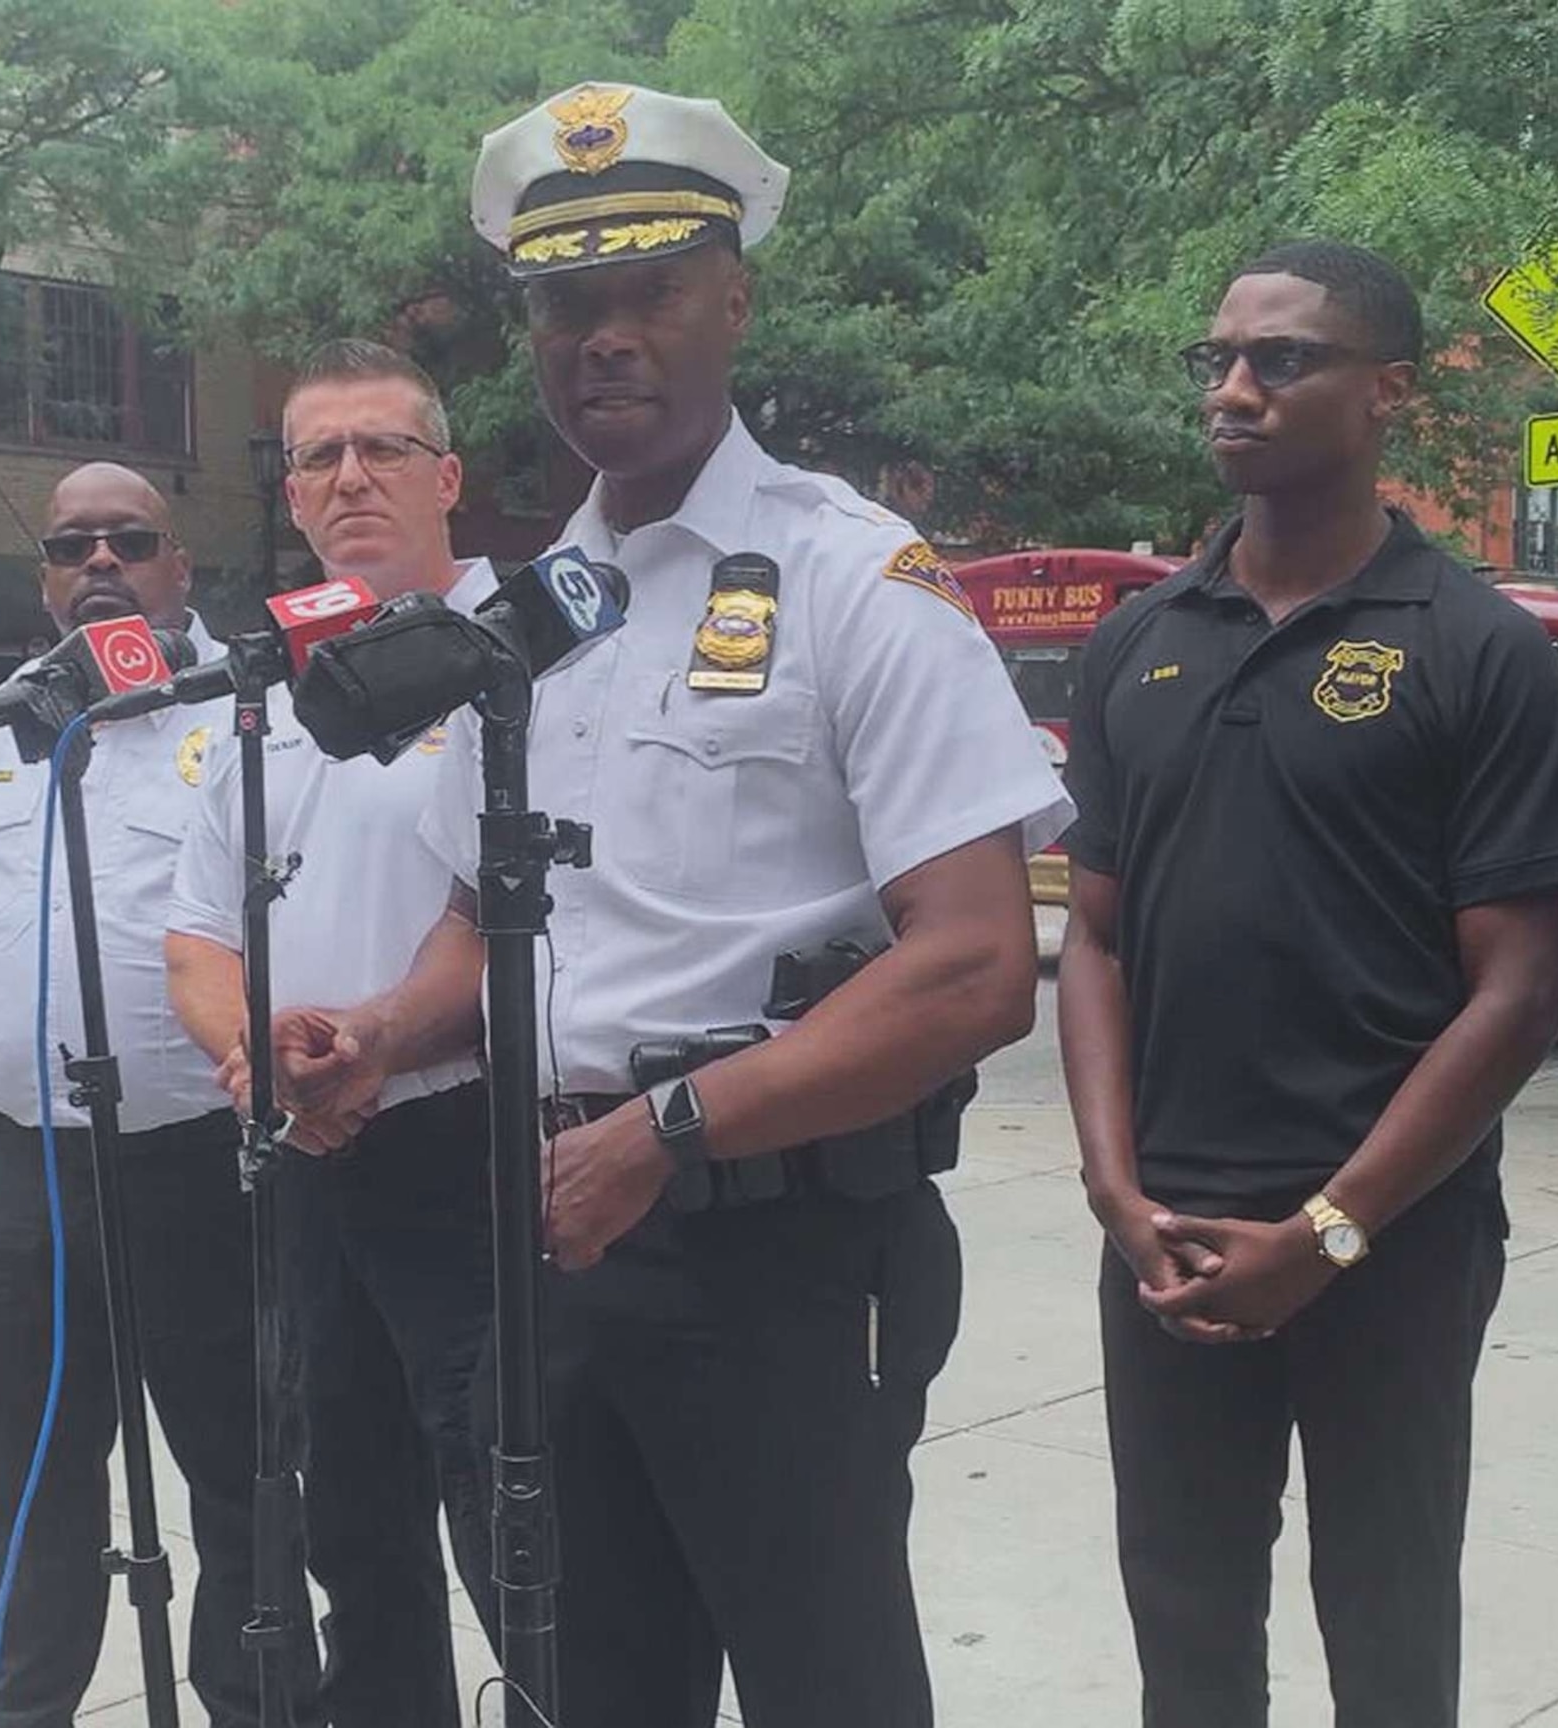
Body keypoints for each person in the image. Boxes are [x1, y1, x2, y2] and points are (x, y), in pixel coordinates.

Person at [262, 82, 1066, 1728]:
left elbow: (978, 962)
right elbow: (494, 925)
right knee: (588, 1689)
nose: (604, 335)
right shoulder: (530, 611)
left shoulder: (854, 583)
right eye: (567, 301)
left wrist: (672, 1126)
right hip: (549, 1239)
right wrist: (376, 1034)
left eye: (648, 290)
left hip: (772, 1245)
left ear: (733, 300)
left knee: (825, 1689)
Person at [1056, 242, 1558, 1728]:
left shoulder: (1477, 650)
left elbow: (1516, 991)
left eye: (1283, 359)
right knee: (1183, 1620)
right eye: (1220, 358)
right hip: (1168, 1232)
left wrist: (1330, 1229)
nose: (1236, 388)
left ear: (1387, 394)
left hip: (1395, 1243)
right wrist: (1115, 1190)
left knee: (1386, 1619)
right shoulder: (1137, 644)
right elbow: (1094, 938)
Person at [163, 339, 502, 1728]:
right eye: (320, 456)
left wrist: (377, 1042)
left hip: (476, 1151)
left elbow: (515, 913)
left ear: (449, 477)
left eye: (384, 449)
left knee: (509, 1512)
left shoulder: (514, 653)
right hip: (306, 1155)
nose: (351, 477)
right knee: (352, 1520)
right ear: (292, 494)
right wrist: (254, 1055)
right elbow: (194, 933)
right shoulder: (273, 692)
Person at [0, 462, 303, 1728]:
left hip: (198, 1165)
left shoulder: (251, 720)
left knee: (244, 1471)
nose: (100, 562)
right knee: (26, 1477)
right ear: (42, 574)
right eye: (71, 544)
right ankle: (17, 1709)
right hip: (22, 1170)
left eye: (129, 540)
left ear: (178, 565)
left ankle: (256, 1707)